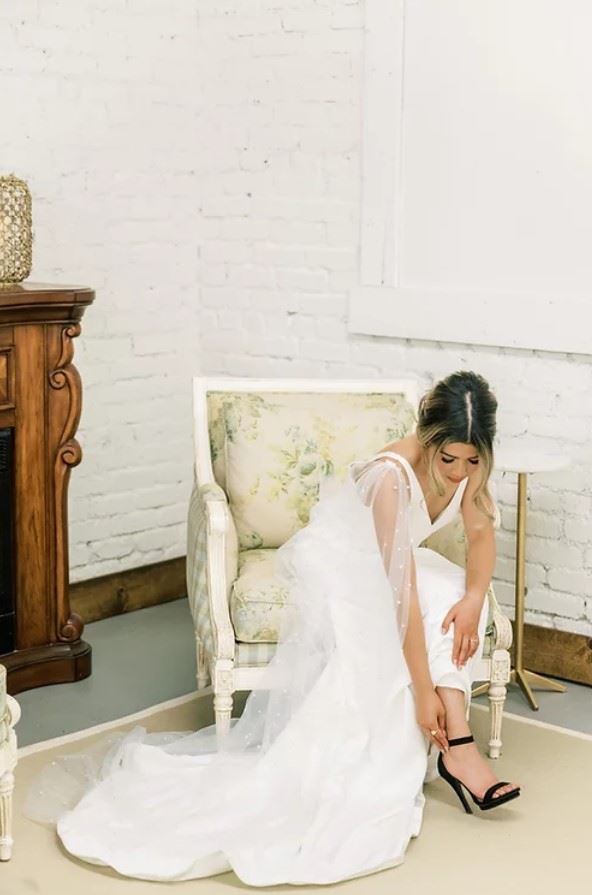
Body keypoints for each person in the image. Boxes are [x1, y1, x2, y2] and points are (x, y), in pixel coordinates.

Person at [24, 369, 520, 885]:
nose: (459, 473)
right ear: (428, 438)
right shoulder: (391, 477)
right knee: (415, 626)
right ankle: (459, 745)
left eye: (471, 461)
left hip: (397, 563)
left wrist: (474, 598)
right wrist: (422, 691)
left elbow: (480, 535)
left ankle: (457, 741)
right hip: (344, 565)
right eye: (448, 459)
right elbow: (401, 595)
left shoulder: (469, 466)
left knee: (456, 595)